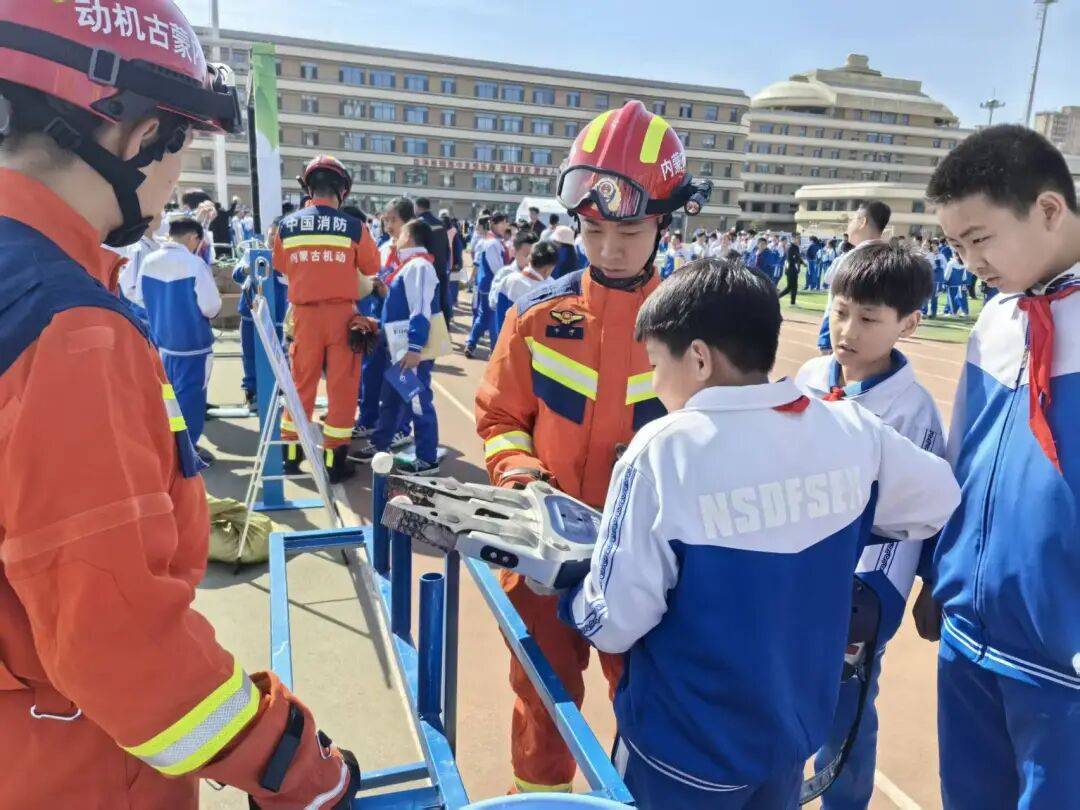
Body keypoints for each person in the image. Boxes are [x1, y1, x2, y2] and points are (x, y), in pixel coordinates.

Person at [0, 2, 361, 806]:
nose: (178, 174)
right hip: (75, 763)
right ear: (138, 137)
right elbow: (121, 648)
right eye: (185, 139)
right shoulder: (70, 333)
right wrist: (298, 767)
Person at [562, 258, 959, 810]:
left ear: (698, 358)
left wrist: (567, 590)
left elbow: (614, 622)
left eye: (654, 364)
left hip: (683, 750)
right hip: (789, 738)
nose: (653, 383)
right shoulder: (852, 428)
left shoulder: (662, 449)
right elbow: (939, 500)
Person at [476, 100, 712, 794]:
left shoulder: (697, 326)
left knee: (651, 703)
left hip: (651, 564)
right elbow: (500, 416)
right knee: (540, 699)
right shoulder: (535, 317)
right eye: (592, 229)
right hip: (545, 555)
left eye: (629, 230)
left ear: (665, 222)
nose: (609, 247)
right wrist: (523, 478)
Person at [917, 125, 1080, 810]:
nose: (969, 261)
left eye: (980, 239)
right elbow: (964, 454)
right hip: (969, 639)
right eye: (955, 246)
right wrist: (941, 570)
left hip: (1063, 663)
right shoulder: (995, 321)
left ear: (1049, 209)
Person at [795, 244, 944, 810]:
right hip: (793, 570)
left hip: (861, 589)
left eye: (868, 319)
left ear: (908, 324)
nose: (847, 330)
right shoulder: (810, 377)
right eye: (839, 312)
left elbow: (926, 510)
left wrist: (930, 586)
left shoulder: (913, 412)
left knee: (844, 718)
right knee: (782, 696)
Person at [272, 155, 379, 483]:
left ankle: (291, 456)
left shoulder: (287, 225)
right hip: (342, 317)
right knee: (342, 387)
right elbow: (372, 267)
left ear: (308, 188)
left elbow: (280, 266)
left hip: (303, 316)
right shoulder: (354, 227)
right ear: (342, 191)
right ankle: (335, 461)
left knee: (300, 384)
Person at [351, 218, 450, 475]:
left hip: (409, 352)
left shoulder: (419, 266)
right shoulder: (409, 265)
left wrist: (415, 349)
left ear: (411, 237)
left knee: (418, 403)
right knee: (391, 400)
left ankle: (427, 459)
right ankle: (380, 445)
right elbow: (402, 310)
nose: (397, 237)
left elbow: (420, 310)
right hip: (399, 350)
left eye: (402, 233)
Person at [137, 216, 222, 446]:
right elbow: (211, 307)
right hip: (193, 347)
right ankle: (187, 451)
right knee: (191, 401)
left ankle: (171, 447)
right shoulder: (195, 265)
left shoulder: (150, 260)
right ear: (193, 237)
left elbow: (138, 296)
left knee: (168, 399)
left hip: (162, 345)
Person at [818, 202, 891, 353]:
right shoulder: (890, 258)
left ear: (862, 221)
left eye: (853, 219)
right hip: (874, 331)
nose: (849, 224)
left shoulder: (851, 257)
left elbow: (829, 279)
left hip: (841, 327)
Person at [233, 219, 287, 409]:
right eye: (272, 234)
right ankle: (252, 392)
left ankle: (279, 392)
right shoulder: (253, 253)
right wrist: (249, 268)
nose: (274, 239)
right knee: (250, 355)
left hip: (278, 317)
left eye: (279, 236)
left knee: (279, 356)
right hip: (251, 316)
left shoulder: (290, 256)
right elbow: (237, 275)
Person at [464, 212, 510, 358]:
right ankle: (494, 350)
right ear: (494, 224)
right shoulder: (493, 243)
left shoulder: (491, 241)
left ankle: (471, 344)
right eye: (503, 223)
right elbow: (497, 268)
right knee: (493, 319)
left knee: (484, 317)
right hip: (492, 285)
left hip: (486, 284)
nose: (506, 226)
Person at [492, 239, 558, 334]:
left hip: (505, 338)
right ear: (548, 270)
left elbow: (498, 311)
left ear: (529, 259)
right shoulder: (552, 289)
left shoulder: (509, 279)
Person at [489, 230, 539, 346]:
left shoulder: (544, 278)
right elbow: (493, 302)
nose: (530, 260)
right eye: (526, 255)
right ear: (515, 252)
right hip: (505, 337)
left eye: (534, 256)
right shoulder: (505, 274)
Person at [414, 197, 452, 327]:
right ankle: (445, 326)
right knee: (443, 298)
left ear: (418, 207)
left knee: (427, 301)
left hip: (427, 268)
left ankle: (430, 329)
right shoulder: (441, 223)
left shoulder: (418, 224)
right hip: (441, 267)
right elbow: (447, 247)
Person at [777, 232, 807, 304]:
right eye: (797, 238)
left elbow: (798, 257)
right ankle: (776, 298)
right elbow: (790, 259)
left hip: (794, 269)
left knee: (794, 286)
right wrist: (797, 263)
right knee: (790, 287)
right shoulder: (791, 247)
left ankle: (792, 302)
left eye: (799, 237)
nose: (799, 239)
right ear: (793, 238)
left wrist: (803, 263)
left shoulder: (796, 247)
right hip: (790, 269)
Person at [943, 252, 969, 316]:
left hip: (951, 284)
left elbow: (947, 274)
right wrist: (964, 283)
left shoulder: (951, 263)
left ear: (955, 255)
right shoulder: (963, 262)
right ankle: (948, 310)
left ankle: (953, 312)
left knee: (951, 298)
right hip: (960, 284)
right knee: (959, 298)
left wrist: (945, 282)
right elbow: (964, 275)